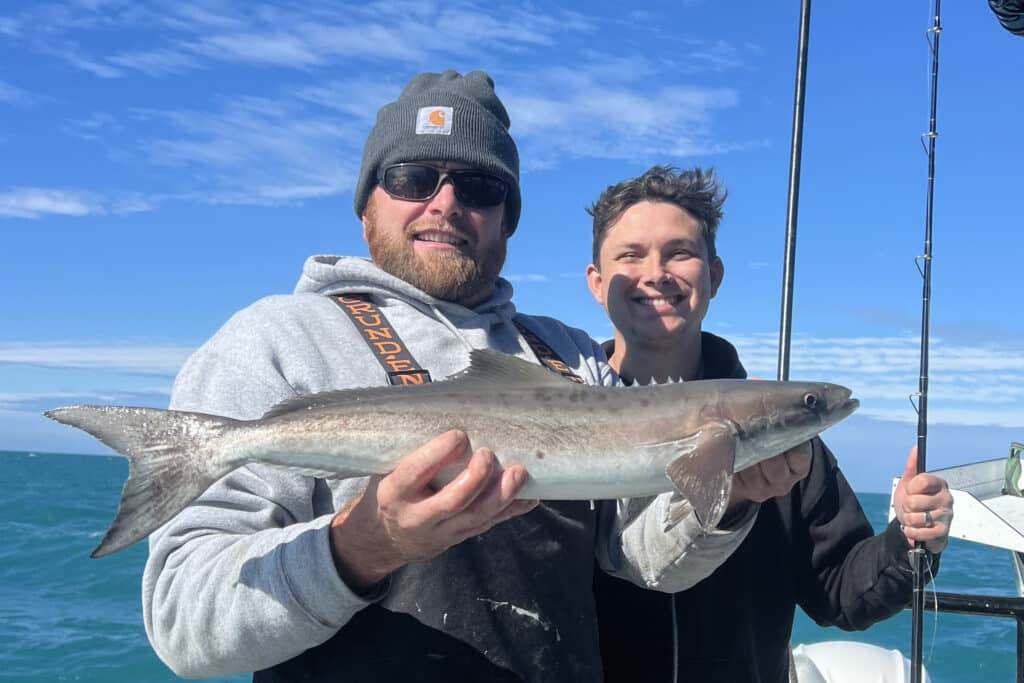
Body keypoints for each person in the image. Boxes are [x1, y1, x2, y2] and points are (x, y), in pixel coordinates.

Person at [141, 72, 760, 682]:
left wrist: (727, 499)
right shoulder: (275, 341)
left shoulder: (571, 356)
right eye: (411, 179)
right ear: (366, 206)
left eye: (479, 186)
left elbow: (636, 557)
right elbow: (182, 628)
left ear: (507, 219)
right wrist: (359, 548)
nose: (445, 204)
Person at [584, 165, 955, 683]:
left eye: (680, 253)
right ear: (596, 282)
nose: (656, 273)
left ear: (714, 275)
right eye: (631, 254)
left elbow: (842, 596)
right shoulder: (550, 422)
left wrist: (909, 540)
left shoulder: (787, 438)